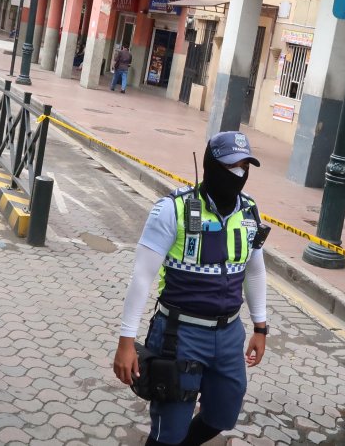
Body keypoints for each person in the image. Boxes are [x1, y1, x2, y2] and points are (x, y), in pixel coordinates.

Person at [113, 131, 270, 446]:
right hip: (179, 335)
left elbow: (254, 270)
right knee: (168, 429)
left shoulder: (249, 212)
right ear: (212, 166)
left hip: (228, 335)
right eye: (231, 167)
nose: (239, 174)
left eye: (245, 166)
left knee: (223, 414)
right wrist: (126, 342)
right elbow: (142, 276)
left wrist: (260, 326)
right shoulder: (173, 209)